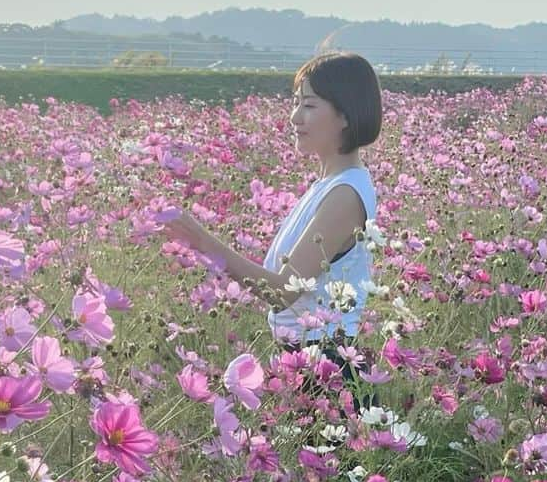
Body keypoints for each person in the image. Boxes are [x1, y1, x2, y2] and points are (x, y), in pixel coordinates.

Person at [162, 51, 382, 402]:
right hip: (305, 359)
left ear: (344, 114)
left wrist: (203, 241)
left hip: (325, 368)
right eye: (295, 103)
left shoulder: (345, 194)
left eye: (309, 105)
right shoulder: (328, 185)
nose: (295, 117)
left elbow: (283, 292)